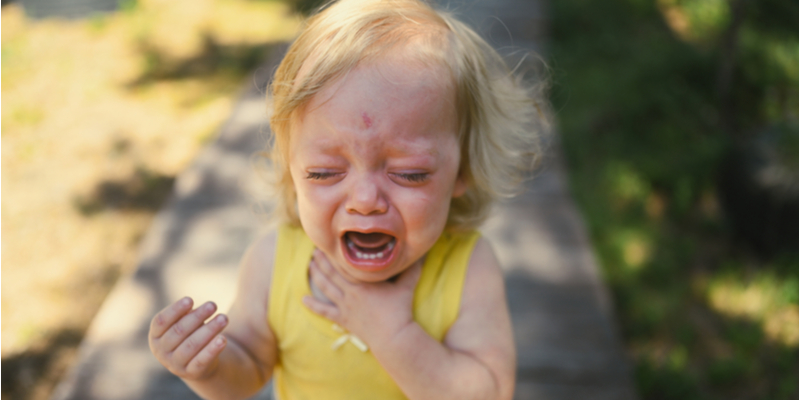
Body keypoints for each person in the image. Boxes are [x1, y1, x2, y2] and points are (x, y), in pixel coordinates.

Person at [148, 0, 548, 398]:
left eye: (408, 173)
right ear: (292, 170)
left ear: (463, 170)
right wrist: (207, 366)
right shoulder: (274, 262)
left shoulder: (467, 268)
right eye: (325, 172)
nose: (365, 200)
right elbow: (247, 365)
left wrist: (393, 332)